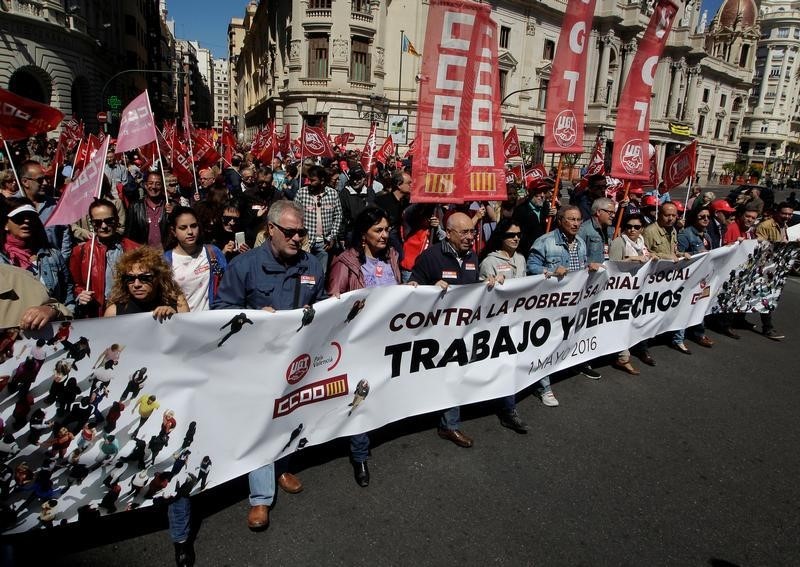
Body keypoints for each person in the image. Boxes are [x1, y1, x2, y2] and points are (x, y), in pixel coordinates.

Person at [213, 200, 325, 531]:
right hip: (256, 362)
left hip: (296, 361)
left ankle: (282, 467)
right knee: (263, 422)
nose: (296, 239)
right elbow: (222, 309)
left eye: (301, 233)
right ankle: (261, 498)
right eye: (289, 232)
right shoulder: (244, 266)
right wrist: (256, 318)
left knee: (291, 414)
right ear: (270, 230)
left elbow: (321, 304)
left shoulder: (312, 265)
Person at [327, 207, 404, 487]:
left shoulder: (393, 256)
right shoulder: (344, 262)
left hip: (387, 338)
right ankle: (359, 454)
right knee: (359, 394)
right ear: (363, 235)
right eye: (378, 230)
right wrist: (349, 308)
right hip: (356, 342)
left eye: (387, 229)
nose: (385, 235)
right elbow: (333, 304)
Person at [410, 212, 499, 448]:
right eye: (464, 232)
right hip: (434, 332)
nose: (471, 237)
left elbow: (471, 290)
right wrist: (429, 287)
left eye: (473, 231)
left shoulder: (472, 257)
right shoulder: (430, 257)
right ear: (448, 234)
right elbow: (411, 289)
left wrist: (486, 284)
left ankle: (449, 425)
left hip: (463, 331)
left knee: (454, 374)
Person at [479, 219, 549, 415]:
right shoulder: (490, 262)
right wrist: (490, 283)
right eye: (511, 235)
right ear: (501, 236)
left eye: (518, 234)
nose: (516, 238)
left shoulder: (520, 258)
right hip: (497, 323)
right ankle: (504, 407)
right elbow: (481, 295)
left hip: (518, 320)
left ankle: (508, 404)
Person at [70, 198, 140, 318]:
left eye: (109, 221)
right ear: (92, 224)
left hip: (129, 311)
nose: (104, 226)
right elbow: (75, 284)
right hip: (97, 313)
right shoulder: (81, 252)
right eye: (98, 222)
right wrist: (81, 294)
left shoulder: (134, 249)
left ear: (117, 220)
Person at [0, 198, 74, 310]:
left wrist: (64, 316)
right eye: (19, 218)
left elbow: (68, 295)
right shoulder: (2, 259)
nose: (26, 221)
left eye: (31, 217)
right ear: (5, 224)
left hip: (53, 323)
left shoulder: (53, 256)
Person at [643, 202, 693, 354]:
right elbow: (646, 253)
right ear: (659, 215)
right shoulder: (650, 231)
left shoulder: (673, 230)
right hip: (652, 279)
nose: (671, 218)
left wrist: (680, 254)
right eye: (667, 215)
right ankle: (643, 346)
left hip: (668, 279)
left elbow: (673, 250)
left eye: (673, 215)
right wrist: (667, 257)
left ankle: (674, 338)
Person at [163, 207, 227, 312]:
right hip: (182, 323)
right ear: (173, 231)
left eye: (193, 226)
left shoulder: (213, 252)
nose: (190, 232)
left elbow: (228, 285)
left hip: (212, 320)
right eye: (183, 228)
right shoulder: (166, 261)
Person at [675, 206, 716, 349]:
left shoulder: (707, 236)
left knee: (700, 305)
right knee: (685, 307)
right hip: (689, 278)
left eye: (708, 217)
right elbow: (679, 255)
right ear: (694, 218)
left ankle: (699, 333)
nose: (706, 219)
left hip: (704, 278)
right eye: (702, 216)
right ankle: (678, 338)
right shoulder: (685, 235)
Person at [753, 202, 793, 340]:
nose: (787, 216)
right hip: (763, 267)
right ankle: (767, 328)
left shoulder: (785, 226)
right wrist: (778, 244)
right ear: (777, 213)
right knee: (766, 296)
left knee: (761, 295)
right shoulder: (766, 225)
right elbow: (759, 245)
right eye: (784, 213)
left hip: (775, 269)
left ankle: (738, 320)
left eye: (789, 214)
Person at [294, 165, 342, 274]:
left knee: (321, 274)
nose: (310, 183)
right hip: (306, 242)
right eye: (309, 179)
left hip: (324, 243)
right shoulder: (302, 193)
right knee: (305, 273)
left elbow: (338, 216)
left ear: (322, 180)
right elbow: (295, 215)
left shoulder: (332, 194)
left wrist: (332, 236)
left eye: (313, 180)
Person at [126, 172, 171, 248]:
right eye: (150, 183)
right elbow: (129, 234)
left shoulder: (172, 205)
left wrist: (174, 214)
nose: (154, 187)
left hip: (167, 254)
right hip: (144, 255)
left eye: (158, 184)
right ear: (145, 185)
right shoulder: (135, 207)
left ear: (162, 186)